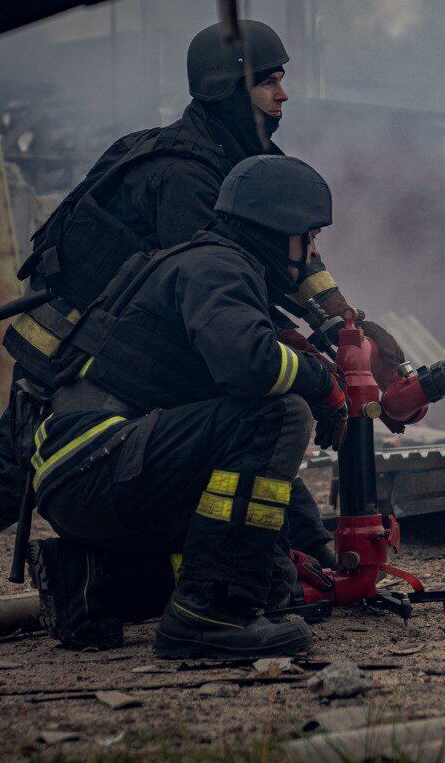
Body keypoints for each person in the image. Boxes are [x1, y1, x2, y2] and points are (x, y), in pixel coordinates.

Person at [0, 20, 404, 620]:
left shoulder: (244, 158)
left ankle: (282, 564)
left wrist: (342, 323)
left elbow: (295, 260)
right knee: (15, 469)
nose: (283, 94)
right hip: (73, 354)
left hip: (113, 348)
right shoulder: (186, 176)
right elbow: (219, 302)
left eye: (281, 79)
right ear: (226, 89)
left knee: (241, 425)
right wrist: (312, 365)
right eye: (269, 81)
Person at [30, 155, 343, 657]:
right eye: (307, 237)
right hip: (99, 459)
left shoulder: (209, 263)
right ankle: (207, 617)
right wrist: (321, 383)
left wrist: (316, 546)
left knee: (275, 585)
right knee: (281, 413)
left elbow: (248, 451)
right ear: (273, 230)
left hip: (90, 470)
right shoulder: (217, 267)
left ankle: (92, 583)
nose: (310, 254)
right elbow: (251, 369)